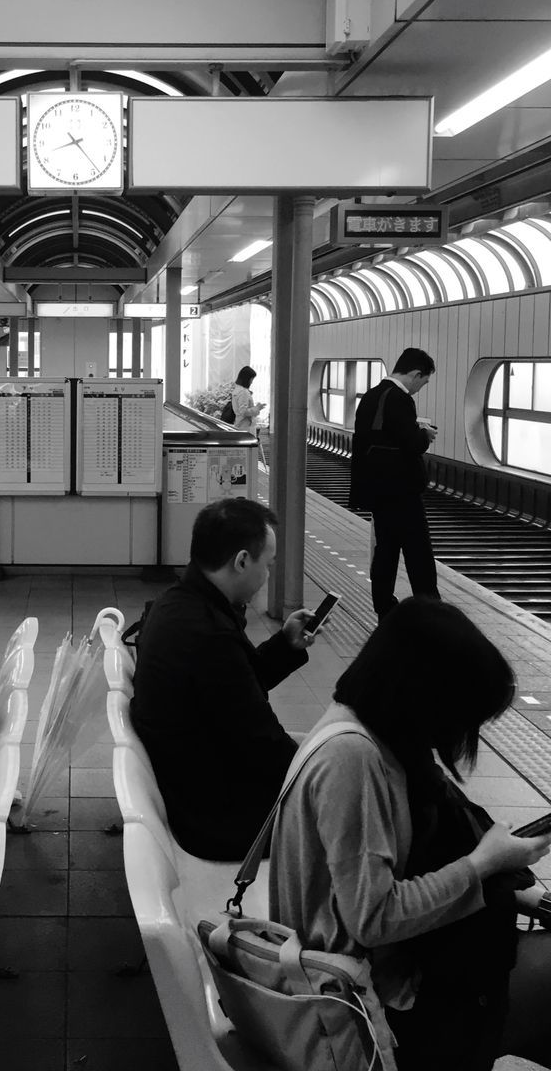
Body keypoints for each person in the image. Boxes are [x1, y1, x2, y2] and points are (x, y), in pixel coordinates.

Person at [269, 597, 551, 1071]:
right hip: (363, 1007)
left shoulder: (367, 727)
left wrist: (514, 890)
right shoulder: (353, 760)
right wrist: (483, 865)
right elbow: (374, 917)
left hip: (375, 978)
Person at [130, 498, 314, 859]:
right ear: (242, 561)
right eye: (268, 565)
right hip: (218, 816)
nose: (268, 576)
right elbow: (261, 741)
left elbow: (234, 686)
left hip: (194, 781)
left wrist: (285, 645)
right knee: (353, 803)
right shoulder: (208, 633)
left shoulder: (178, 604)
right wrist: (321, 780)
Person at [349, 347, 439, 619]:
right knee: (419, 553)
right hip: (401, 490)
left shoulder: (371, 395)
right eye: (423, 382)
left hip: (378, 490)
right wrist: (425, 435)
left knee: (386, 550)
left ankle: (384, 607)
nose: (420, 388)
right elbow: (410, 443)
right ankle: (431, 609)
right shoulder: (400, 399)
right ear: (415, 374)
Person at [220, 366, 265, 433]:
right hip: (246, 427)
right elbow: (243, 411)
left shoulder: (237, 390)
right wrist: (257, 408)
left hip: (240, 425)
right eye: (251, 379)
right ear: (247, 379)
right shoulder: (243, 392)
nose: (252, 382)